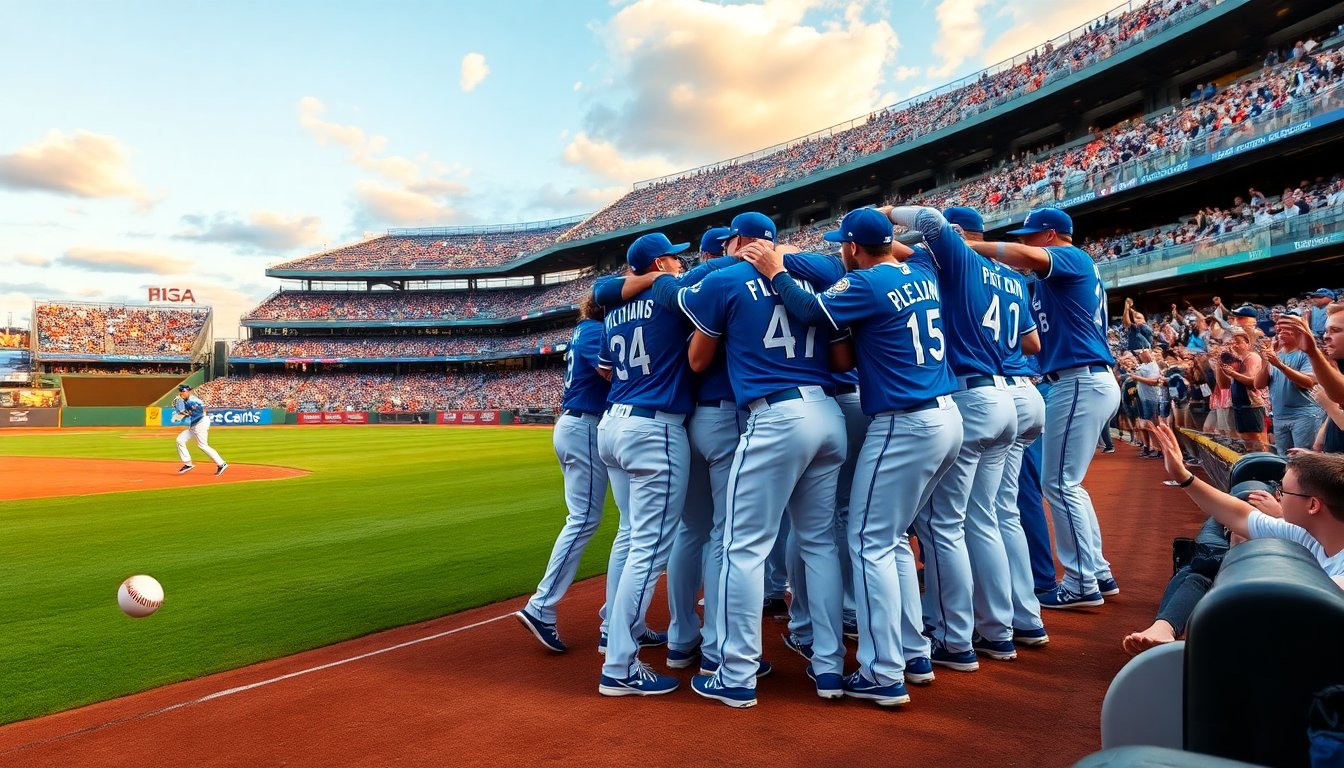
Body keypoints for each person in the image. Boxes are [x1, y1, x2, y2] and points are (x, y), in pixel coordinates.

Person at [742, 207, 962, 706]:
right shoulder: (922, 271)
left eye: (843, 243)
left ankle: (884, 671)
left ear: (852, 248)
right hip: (947, 415)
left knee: (868, 541)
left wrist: (776, 270)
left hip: (906, 421)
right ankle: (913, 650)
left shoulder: (865, 282)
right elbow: (925, 227)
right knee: (894, 539)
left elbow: (807, 311)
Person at [679, 211, 846, 709]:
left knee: (741, 546)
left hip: (775, 416)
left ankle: (736, 673)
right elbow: (842, 358)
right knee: (817, 543)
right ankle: (830, 666)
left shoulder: (727, 277)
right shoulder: (815, 274)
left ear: (736, 242)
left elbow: (697, 361)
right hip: (828, 410)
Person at [886, 203, 1032, 668]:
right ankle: (1003, 628)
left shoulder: (961, 255)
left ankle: (954, 639)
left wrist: (888, 211)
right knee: (985, 517)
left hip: (971, 394)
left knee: (943, 525)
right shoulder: (1009, 274)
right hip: (1006, 393)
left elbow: (929, 219)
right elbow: (1032, 344)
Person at [967, 207, 1120, 609]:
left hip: (1080, 379)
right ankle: (1097, 571)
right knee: (1068, 485)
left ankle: (1083, 581)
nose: (1024, 241)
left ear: (1051, 235)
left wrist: (969, 246)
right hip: (1084, 379)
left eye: (1031, 235)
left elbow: (1030, 258)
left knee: (1060, 485)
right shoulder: (1061, 274)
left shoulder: (1073, 255)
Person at [595, 232, 694, 698]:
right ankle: (620, 664)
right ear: (660, 261)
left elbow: (604, 366)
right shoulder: (670, 290)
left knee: (632, 535)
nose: (680, 261)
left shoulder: (615, 305)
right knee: (650, 549)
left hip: (613, 422)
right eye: (674, 256)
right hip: (654, 427)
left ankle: (611, 633)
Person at [516, 297, 613, 653]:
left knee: (589, 517)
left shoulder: (588, 329)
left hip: (584, 425)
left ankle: (620, 616)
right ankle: (541, 606)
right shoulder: (591, 330)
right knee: (584, 518)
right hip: (584, 424)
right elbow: (611, 372)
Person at [1150, 424, 1344, 577]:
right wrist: (1184, 476)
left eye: (1283, 490)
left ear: (1313, 505)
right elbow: (1240, 515)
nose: (1278, 495)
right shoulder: (1312, 535)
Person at [1255, 323, 1325, 455]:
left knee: (1303, 459)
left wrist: (1279, 365)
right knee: (1283, 458)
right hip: (1280, 415)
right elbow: (1258, 384)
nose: (1281, 333)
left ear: (1299, 333)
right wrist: (1267, 362)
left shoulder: (1308, 355)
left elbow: (1307, 383)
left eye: (1287, 330)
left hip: (1304, 415)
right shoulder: (1276, 355)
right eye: (1279, 330)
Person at [172, 384, 227, 476]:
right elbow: (188, 413)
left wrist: (181, 415)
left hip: (201, 423)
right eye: (181, 391)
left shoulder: (193, 401)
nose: (182, 393)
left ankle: (221, 464)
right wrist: (182, 414)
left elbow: (198, 413)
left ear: (188, 391)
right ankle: (188, 463)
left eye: (183, 391)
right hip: (195, 425)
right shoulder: (185, 401)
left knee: (202, 445)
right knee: (180, 439)